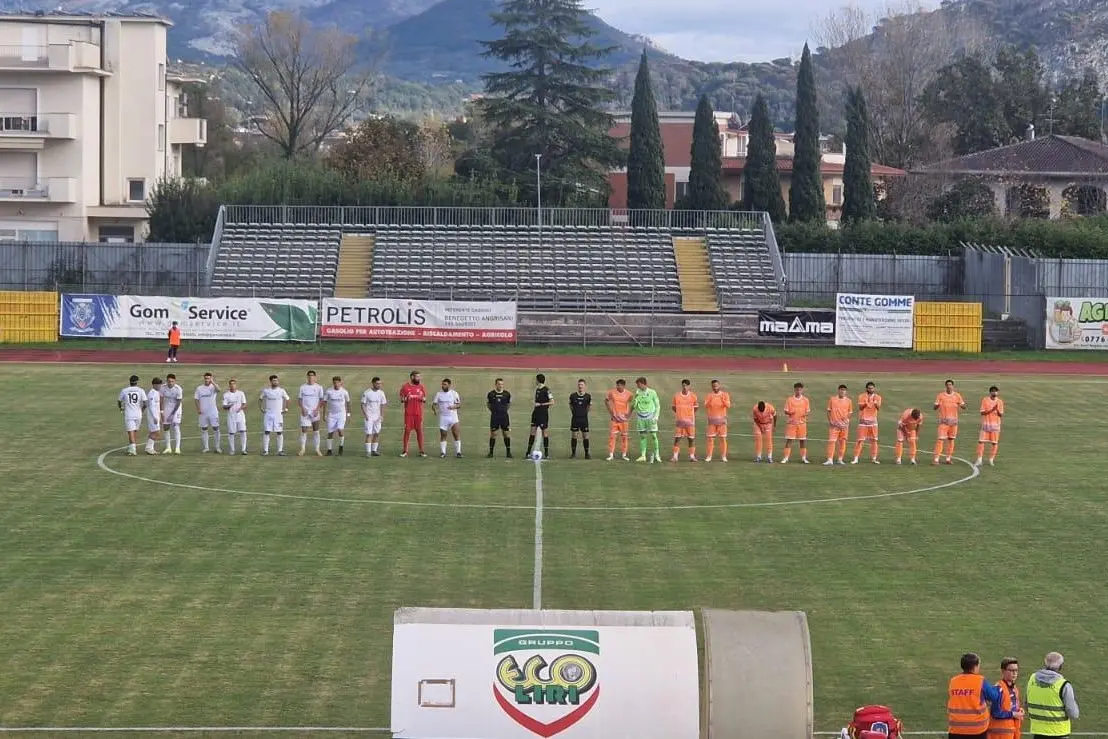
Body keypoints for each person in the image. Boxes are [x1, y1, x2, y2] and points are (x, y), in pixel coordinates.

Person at [948, 652, 1019, 739]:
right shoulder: (979, 680)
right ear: (975, 667)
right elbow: (994, 696)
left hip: (955, 729)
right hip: (977, 730)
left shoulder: (953, 681)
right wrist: (999, 687)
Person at [1026, 652, 1078, 739]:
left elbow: (1026, 704)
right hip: (1059, 732)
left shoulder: (1032, 679)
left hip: (1038, 731)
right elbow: (1073, 714)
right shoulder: (1063, 684)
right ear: (1061, 666)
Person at [934, 379, 967, 465]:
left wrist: (961, 405)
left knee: (951, 440)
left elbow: (964, 406)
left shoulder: (957, 395)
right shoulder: (940, 395)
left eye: (950, 385)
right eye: (948, 385)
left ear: (953, 386)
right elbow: (935, 407)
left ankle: (948, 458)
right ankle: (936, 459)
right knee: (940, 440)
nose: (949, 386)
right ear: (945, 386)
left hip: (953, 422)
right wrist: (937, 405)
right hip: (943, 422)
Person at [989, 658, 1023, 739]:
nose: (1014, 673)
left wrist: (1019, 711)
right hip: (999, 735)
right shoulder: (998, 689)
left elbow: (1010, 706)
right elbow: (995, 713)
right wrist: (1014, 714)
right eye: (1011, 670)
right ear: (1003, 671)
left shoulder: (1014, 689)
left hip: (1011, 733)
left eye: (1016, 670)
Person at [632, 376, 662, 463]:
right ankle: (643, 455)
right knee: (642, 436)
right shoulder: (637, 393)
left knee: (653, 435)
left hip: (651, 417)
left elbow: (657, 405)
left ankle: (657, 454)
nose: (637, 386)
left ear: (643, 384)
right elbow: (633, 406)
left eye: (638, 384)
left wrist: (656, 416)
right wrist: (635, 397)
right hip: (641, 417)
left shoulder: (652, 392)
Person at [259, 374, 290, 456]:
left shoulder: (282, 391)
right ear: (270, 381)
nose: (276, 382)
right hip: (268, 414)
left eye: (276, 380)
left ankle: (280, 450)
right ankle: (265, 450)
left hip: (278, 415)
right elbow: (260, 399)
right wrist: (261, 408)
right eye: (274, 381)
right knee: (267, 431)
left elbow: (287, 399)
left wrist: (286, 409)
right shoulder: (266, 391)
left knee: (279, 432)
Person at [852, 381, 882, 465]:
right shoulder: (862, 396)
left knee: (874, 440)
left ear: (874, 388)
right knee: (860, 440)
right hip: (863, 421)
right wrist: (865, 403)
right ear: (866, 388)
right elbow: (860, 408)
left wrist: (875, 403)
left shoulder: (878, 397)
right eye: (869, 388)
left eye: (872, 388)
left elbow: (878, 408)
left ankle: (874, 458)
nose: (870, 389)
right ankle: (856, 458)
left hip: (873, 422)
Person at [400, 370, 428, 458]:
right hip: (409, 413)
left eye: (419, 377)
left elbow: (424, 399)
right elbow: (402, 399)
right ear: (412, 377)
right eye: (417, 377)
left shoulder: (421, 387)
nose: (419, 378)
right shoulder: (405, 387)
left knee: (419, 431)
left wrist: (422, 398)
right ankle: (405, 451)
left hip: (418, 413)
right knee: (407, 431)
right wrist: (406, 398)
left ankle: (421, 451)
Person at [297, 370, 325, 457]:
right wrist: (302, 408)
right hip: (305, 412)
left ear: (315, 377)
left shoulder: (319, 387)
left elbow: (322, 400)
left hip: (314, 412)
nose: (311, 377)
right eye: (309, 375)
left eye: (312, 375)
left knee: (316, 431)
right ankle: (302, 449)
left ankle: (317, 449)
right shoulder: (302, 387)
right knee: (304, 430)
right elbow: (299, 399)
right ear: (307, 377)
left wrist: (317, 409)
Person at [781, 382, 810, 464]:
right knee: (789, 440)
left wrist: (805, 414)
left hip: (802, 424)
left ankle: (804, 458)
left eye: (800, 390)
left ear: (802, 390)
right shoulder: (789, 399)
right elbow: (785, 411)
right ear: (794, 390)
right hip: (792, 423)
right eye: (797, 390)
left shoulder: (805, 400)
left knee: (802, 440)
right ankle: (785, 458)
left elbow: (808, 411)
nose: (798, 391)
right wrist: (790, 413)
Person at [704, 379, 732, 463]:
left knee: (722, 439)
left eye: (716, 385)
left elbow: (728, 405)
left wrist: (722, 399)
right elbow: (705, 405)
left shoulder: (725, 395)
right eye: (713, 386)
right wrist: (710, 400)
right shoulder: (709, 395)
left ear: (719, 385)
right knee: (710, 439)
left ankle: (723, 456)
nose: (715, 387)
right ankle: (709, 456)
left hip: (722, 421)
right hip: (712, 421)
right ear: (712, 387)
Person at [976, 386, 1004, 467]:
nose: (994, 392)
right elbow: (982, 412)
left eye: (996, 391)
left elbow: (1001, 414)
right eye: (993, 391)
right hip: (986, 425)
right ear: (990, 392)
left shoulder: (1000, 402)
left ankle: (991, 460)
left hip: (995, 426)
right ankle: (979, 460)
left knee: (994, 443)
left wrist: (997, 409)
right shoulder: (985, 400)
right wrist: (992, 409)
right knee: (981, 442)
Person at [434, 378, 463, 458]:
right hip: (443, 417)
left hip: (453, 417)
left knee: (456, 434)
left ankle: (458, 452)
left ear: (449, 385)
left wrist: (454, 406)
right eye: (442, 384)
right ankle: (443, 452)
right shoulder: (439, 394)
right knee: (443, 435)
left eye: (445, 384)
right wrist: (435, 410)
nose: (443, 386)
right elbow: (434, 404)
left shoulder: (454, 394)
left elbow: (459, 405)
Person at [604, 379, 632, 461]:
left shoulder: (629, 394)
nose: (617, 387)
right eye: (617, 385)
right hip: (615, 419)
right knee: (612, 437)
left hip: (624, 420)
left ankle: (624, 454)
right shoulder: (612, 393)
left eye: (619, 385)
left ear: (623, 386)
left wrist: (629, 413)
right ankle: (611, 454)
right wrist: (611, 413)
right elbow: (606, 401)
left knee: (624, 437)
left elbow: (634, 403)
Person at [118, 374, 146, 456]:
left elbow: (119, 401)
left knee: (130, 432)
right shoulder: (141, 390)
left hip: (129, 414)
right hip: (138, 414)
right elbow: (145, 403)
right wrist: (142, 411)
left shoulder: (125, 390)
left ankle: (133, 449)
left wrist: (121, 408)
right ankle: (131, 447)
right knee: (134, 431)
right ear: (137, 382)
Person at [825, 384, 853, 466]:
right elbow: (828, 411)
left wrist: (846, 419)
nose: (842, 391)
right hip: (834, 425)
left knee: (842, 442)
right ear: (838, 390)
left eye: (844, 390)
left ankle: (840, 459)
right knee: (831, 441)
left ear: (846, 391)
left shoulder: (849, 401)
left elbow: (850, 412)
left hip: (844, 426)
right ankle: (830, 459)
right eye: (841, 390)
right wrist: (830, 421)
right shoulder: (832, 399)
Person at [671, 378, 698, 462]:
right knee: (677, 438)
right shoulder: (677, 396)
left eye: (686, 386)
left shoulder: (693, 396)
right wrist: (680, 414)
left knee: (691, 439)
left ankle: (692, 456)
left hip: (690, 422)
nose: (685, 387)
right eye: (683, 386)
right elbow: (673, 407)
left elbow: (696, 408)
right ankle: (675, 456)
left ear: (689, 386)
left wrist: (689, 415)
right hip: (680, 422)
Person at [528, 373, 554, 459]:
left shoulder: (547, 390)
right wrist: (534, 403)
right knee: (532, 432)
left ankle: (547, 454)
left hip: (543, 414)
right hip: (535, 414)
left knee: (544, 433)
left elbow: (552, 402)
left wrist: (541, 404)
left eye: (536, 380)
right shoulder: (537, 389)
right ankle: (528, 452)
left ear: (538, 380)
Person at [194, 372, 222, 454]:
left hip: (213, 412)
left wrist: (212, 382)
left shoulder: (213, 387)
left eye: (208, 378)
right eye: (206, 378)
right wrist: (198, 409)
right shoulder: (199, 388)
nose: (207, 380)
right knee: (204, 429)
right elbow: (196, 399)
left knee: (216, 428)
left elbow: (219, 390)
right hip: (203, 413)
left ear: (211, 378)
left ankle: (217, 447)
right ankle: (206, 447)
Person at [323, 375, 351, 456]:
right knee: (330, 432)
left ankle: (341, 446)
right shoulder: (329, 391)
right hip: (331, 414)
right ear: (333, 383)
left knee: (340, 429)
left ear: (340, 383)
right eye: (335, 383)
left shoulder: (344, 392)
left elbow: (348, 402)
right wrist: (324, 414)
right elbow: (324, 402)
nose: (336, 384)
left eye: (338, 383)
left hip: (341, 414)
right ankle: (329, 450)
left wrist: (348, 414)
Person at [361, 376, 387, 457]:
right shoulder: (367, 393)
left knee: (377, 433)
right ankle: (368, 452)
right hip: (369, 417)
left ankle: (374, 451)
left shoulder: (381, 393)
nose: (379, 385)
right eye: (377, 383)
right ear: (373, 383)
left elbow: (383, 404)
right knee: (369, 434)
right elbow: (362, 404)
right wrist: (366, 415)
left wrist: (382, 415)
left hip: (377, 417)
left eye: (380, 383)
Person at [486, 378, 512, 458]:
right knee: (493, 434)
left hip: (504, 417)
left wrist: (503, 411)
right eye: (499, 384)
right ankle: (491, 452)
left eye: (502, 384)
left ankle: (508, 452)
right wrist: (494, 411)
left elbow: (508, 405)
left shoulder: (507, 394)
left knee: (506, 434)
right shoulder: (491, 394)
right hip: (495, 417)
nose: (500, 386)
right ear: (496, 384)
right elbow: (488, 405)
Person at [222, 378, 248, 455]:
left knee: (243, 431)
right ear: (229, 385)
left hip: (240, 415)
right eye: (231, 384)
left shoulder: (241, 393)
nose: (232, 385)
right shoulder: (226, 395)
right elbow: (224, 406)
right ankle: (232, 449)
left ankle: (243, 449)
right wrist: (229, 406)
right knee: (231, 433)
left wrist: (240, 408)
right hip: (231, 416)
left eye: (234, 384)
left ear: (236, 385)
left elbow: (244, 404)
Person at [160, 373, 184, 455]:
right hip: (167, 407)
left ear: (175, 381)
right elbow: (161, 400)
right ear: (166, 381)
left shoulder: (178, 389)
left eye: (172, 381)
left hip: (176, 409)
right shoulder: (163, 387)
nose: (170, 383)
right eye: (169, 381)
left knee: (176, 425)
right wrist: (162, 411)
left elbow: (178, 402)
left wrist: (172, 414)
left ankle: (177, 448)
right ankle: (168, 447)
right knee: (166, 427)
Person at [569, 379, 592, 459]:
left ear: (585, 386)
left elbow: (589, 406)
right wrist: (575, 413)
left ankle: (586, 454)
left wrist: (584, 413)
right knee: (574, 436)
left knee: (585, 436)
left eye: (582, 385)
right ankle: (573, 454)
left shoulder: (588, 396)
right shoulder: (573, 396)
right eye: (579, 384)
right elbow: (571, 406)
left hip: (584, 419)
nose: (580, 386)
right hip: (575, 419)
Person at [145, 377, 164, 455]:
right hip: (153, 416)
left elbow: (157, 406)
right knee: (156, 432)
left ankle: (150, 448)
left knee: (154, 432)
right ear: (154, 385)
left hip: (156, 415)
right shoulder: (151, 393)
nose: (159, 386)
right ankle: (148, 448)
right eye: (158, 384)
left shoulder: (157, 392)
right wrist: (155, 417)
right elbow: (151, 406)